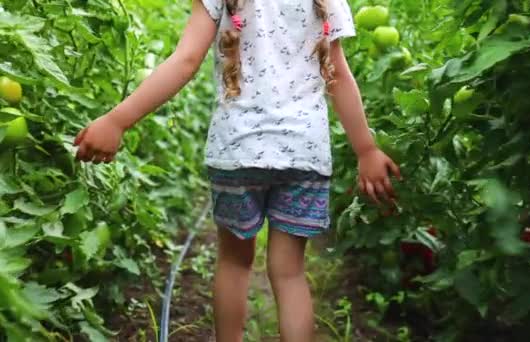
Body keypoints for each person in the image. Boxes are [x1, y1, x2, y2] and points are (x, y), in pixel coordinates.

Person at [74, 0, 401, 340]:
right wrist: (366, 149)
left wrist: (117, 120)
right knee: (289, 273)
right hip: (303, 153)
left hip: (237, 148)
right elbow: (339, 74)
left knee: (234, 262)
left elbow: (185, 62)